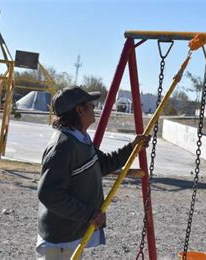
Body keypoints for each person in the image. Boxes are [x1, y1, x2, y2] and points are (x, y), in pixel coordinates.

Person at [36, 86, 150, 259]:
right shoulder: (63, 146)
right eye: (90, 105)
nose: (94, 109)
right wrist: (88, 214)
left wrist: (132, 147)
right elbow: (49, 193)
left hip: (72, 235)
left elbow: (103, 164)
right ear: (79, 110)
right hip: (60, 240)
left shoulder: (81, 138)